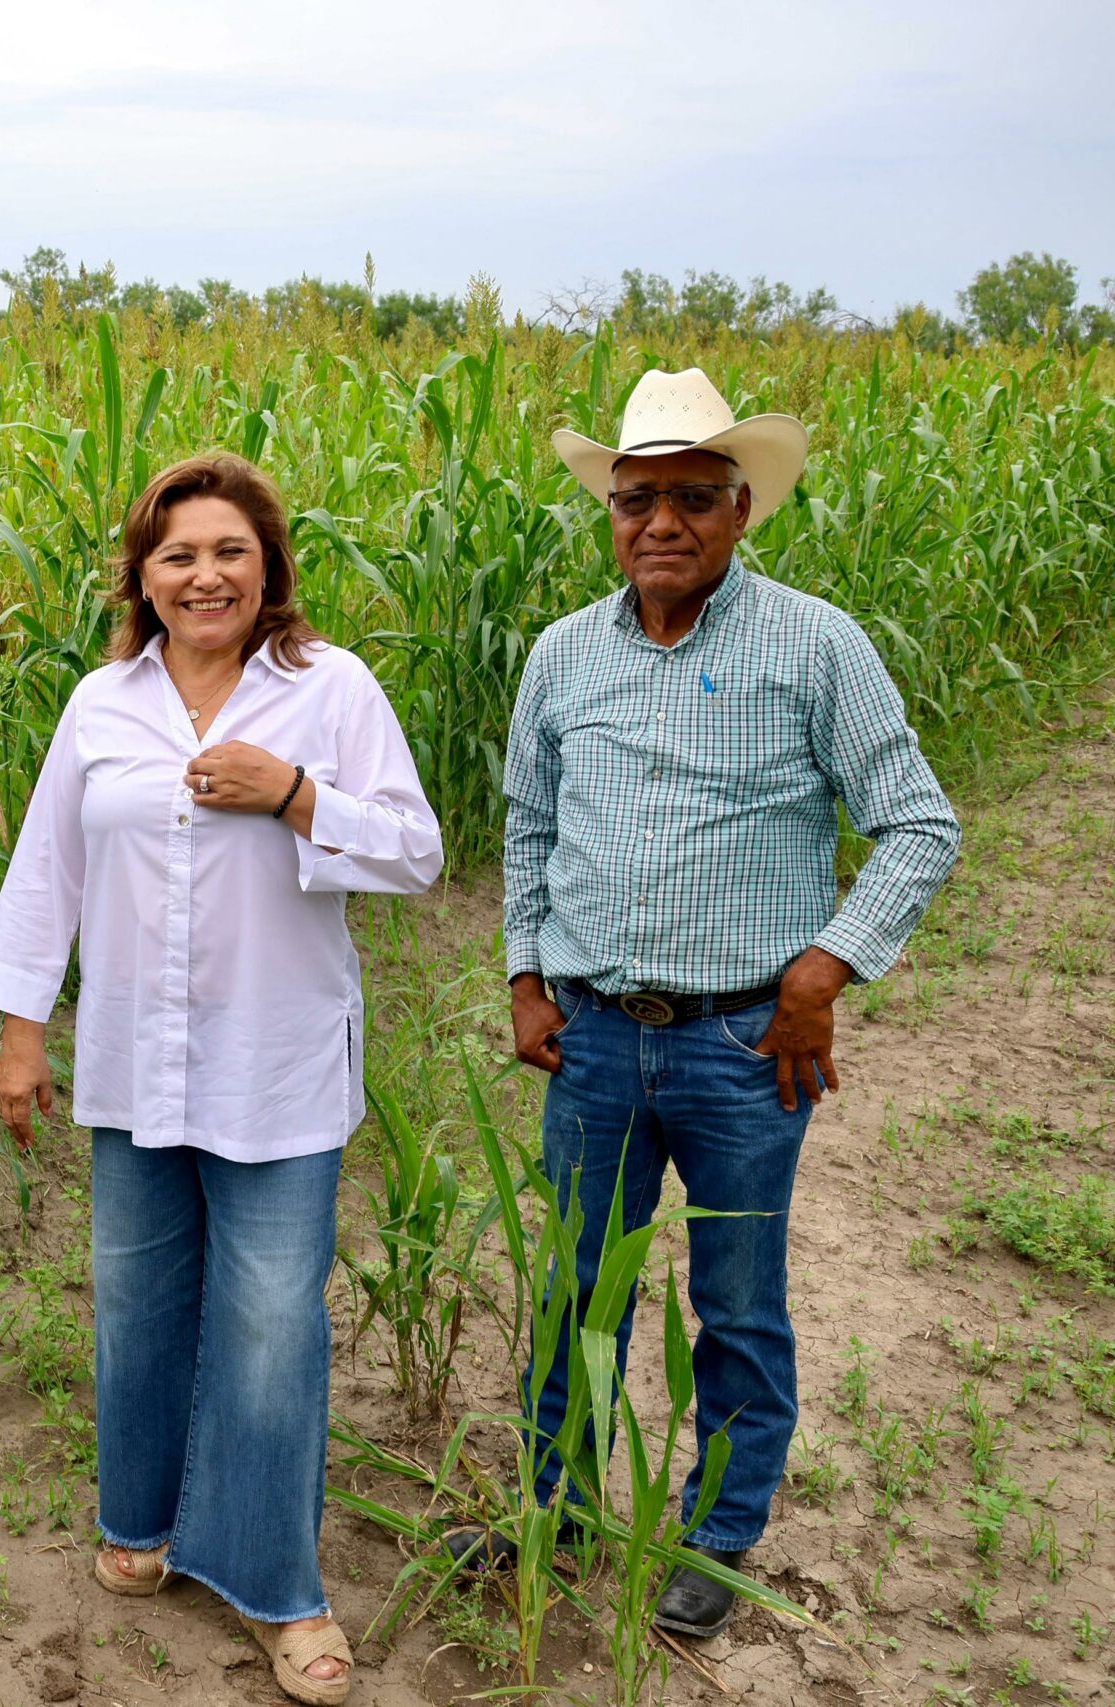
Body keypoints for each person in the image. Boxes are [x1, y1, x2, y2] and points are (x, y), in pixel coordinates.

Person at [445, 367, 960, 1638]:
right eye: (635, 501)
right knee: (575, 1289)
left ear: (740, 510)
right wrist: (523, 974)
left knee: (732, 1298)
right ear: (609, 515)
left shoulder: (814, 644)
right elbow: (529, 828)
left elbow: (916, 824)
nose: (658, 522)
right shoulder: (564, 655)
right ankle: (548, 1507)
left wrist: (821, 969)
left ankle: (718, 1537)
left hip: (743, 1044)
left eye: (688, 497)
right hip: (596, 1039)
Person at [0, 454, 441, 1706]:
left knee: (271, 1320)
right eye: (176, 556)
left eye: (228, 551)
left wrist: (291, 794)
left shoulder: (327, 690)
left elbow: (414, 853)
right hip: (135, 1059)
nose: (203, 575)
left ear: (268, 566)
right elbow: (46, 875)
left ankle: (279, 1590)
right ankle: (143, 1517)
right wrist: (23, 1034)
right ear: (144, 578)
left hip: (275, 1064)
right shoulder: (100, 703)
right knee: (136, 1299)